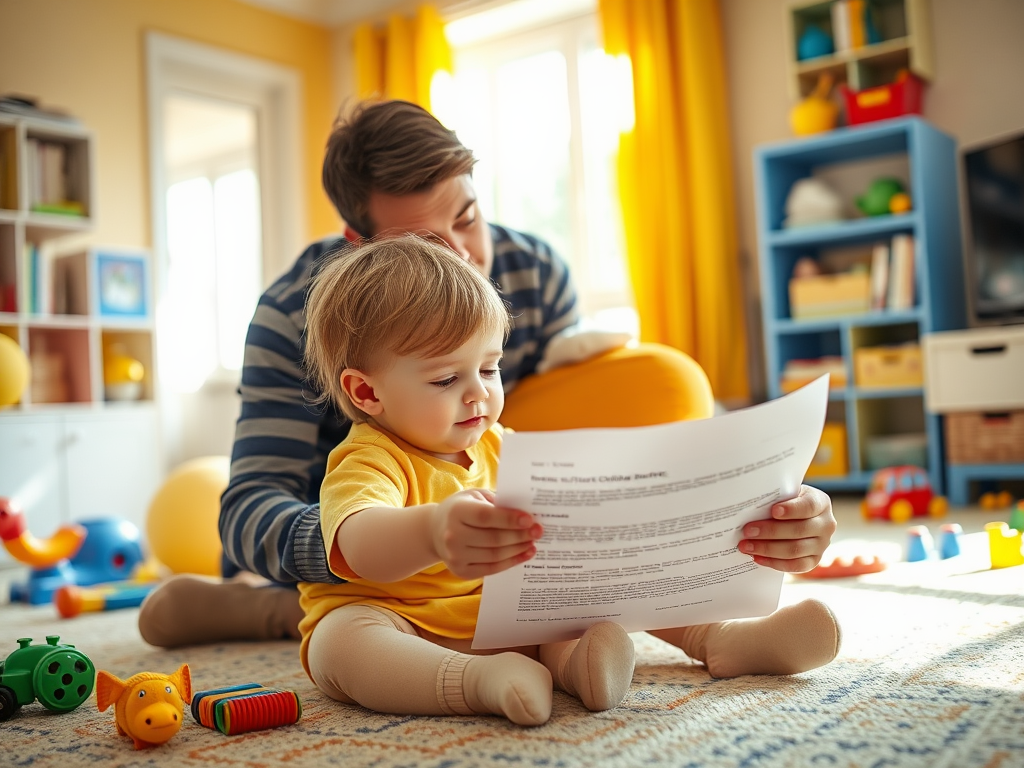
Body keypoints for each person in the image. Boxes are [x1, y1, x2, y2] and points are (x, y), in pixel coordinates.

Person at [138, 99, 838, 649]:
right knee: (360, 612)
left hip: (494, 500)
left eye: (469, 217)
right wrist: (374, 543)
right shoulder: (293, 313)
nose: (469, 258)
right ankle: (288, 612)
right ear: (358, 242)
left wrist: (756, 509)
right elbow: (249, 506)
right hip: (378, 520)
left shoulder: (534, 270)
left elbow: (586, 430)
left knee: (667, 378)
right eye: (426, 245)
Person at [296, 234, 839, 726]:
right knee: (339, 645)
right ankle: (479, 684)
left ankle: (712, 639)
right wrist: (434, 531)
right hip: (405, 628)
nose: (478, 394)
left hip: (512, 623)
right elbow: (359, 543)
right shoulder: (369, 458)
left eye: (488, 368)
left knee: (596, 583)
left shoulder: (501, 445)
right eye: (445, 378)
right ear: (367, 393)